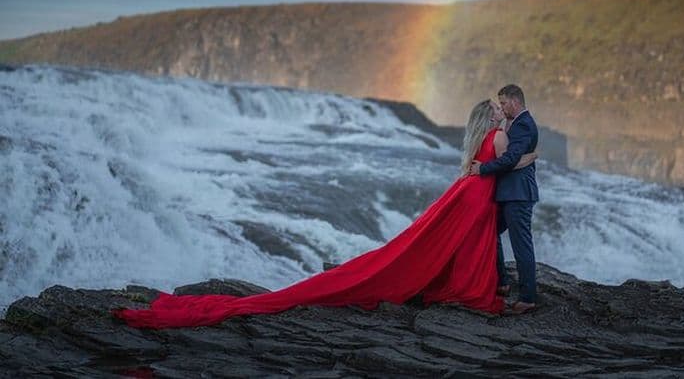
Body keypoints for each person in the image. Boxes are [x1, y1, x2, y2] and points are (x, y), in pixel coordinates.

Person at [113, 100, 537, 328]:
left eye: (502, 108)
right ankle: (468, 286)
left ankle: (463, 281)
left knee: (443, 243)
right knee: (469, 244)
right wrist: (532, 156)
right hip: (478, 194)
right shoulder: (500, 136)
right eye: (497, 110)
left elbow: (483, 165)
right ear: (491, 117)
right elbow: (507, 163)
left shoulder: (477, 138)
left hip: (468, 192)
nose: (502, 112)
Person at [469, 84, 539, 314]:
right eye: (499, 105)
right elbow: (512, 158)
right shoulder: (512, 124)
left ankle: (528, 297)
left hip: (518, 194)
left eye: (504, 103)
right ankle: (503, 282)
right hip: (508, 193)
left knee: (521, 245)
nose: (502, 107)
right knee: (490, 232)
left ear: (516, 101)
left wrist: (483, 169)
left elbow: (509, 159)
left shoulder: (524, 126)